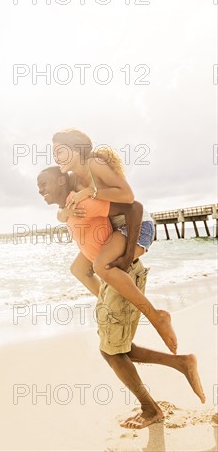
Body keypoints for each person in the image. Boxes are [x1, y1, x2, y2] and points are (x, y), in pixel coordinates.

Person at [37, 166, 205, 429]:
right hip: (111, 280)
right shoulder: (69, 206)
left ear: (61, 181)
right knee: (118, 349)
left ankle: (151, 409)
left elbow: (133, 207)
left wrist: (126, 257)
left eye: (44, 183)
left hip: (121, 274)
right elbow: (68, 227)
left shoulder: (84, 202)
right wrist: (103, 296)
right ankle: (182, 363)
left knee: (112, 352)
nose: (40, 190)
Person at [52, 129, 177, 354]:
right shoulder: (70, 179)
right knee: (79, 268)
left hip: (137, 226)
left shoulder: (94, 165)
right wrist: (63, 215)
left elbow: (129, 198)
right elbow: (61, 211)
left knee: (101, 266)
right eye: (53, 151)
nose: (55, 156)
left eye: (59, 150)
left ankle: (156, 316)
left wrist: (91, 192)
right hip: (112, 230)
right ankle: (108, 301)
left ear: (76, 149)